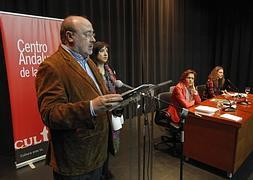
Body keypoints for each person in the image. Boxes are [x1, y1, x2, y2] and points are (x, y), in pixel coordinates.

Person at [35, 16, 123, 180]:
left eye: (93, 34)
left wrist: (110, 102)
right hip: (76, 161)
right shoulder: (52, 66)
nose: (93, 39)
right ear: (70, 37)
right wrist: (90, 107)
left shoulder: (89, 61)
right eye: (88, 34)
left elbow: (98, 95)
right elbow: (50, 113)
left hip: (99, 152)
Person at [91, 41, 123, 180]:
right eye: (101, 51)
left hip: (113, 111)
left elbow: (114, 88)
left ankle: (105, 169)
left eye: (107, 51)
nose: (105, 54)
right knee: (100, 144)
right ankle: (99, 172)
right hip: (99, 113)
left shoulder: (110, 70)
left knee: (110, 142)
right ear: (95, 53)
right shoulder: (91, 70)